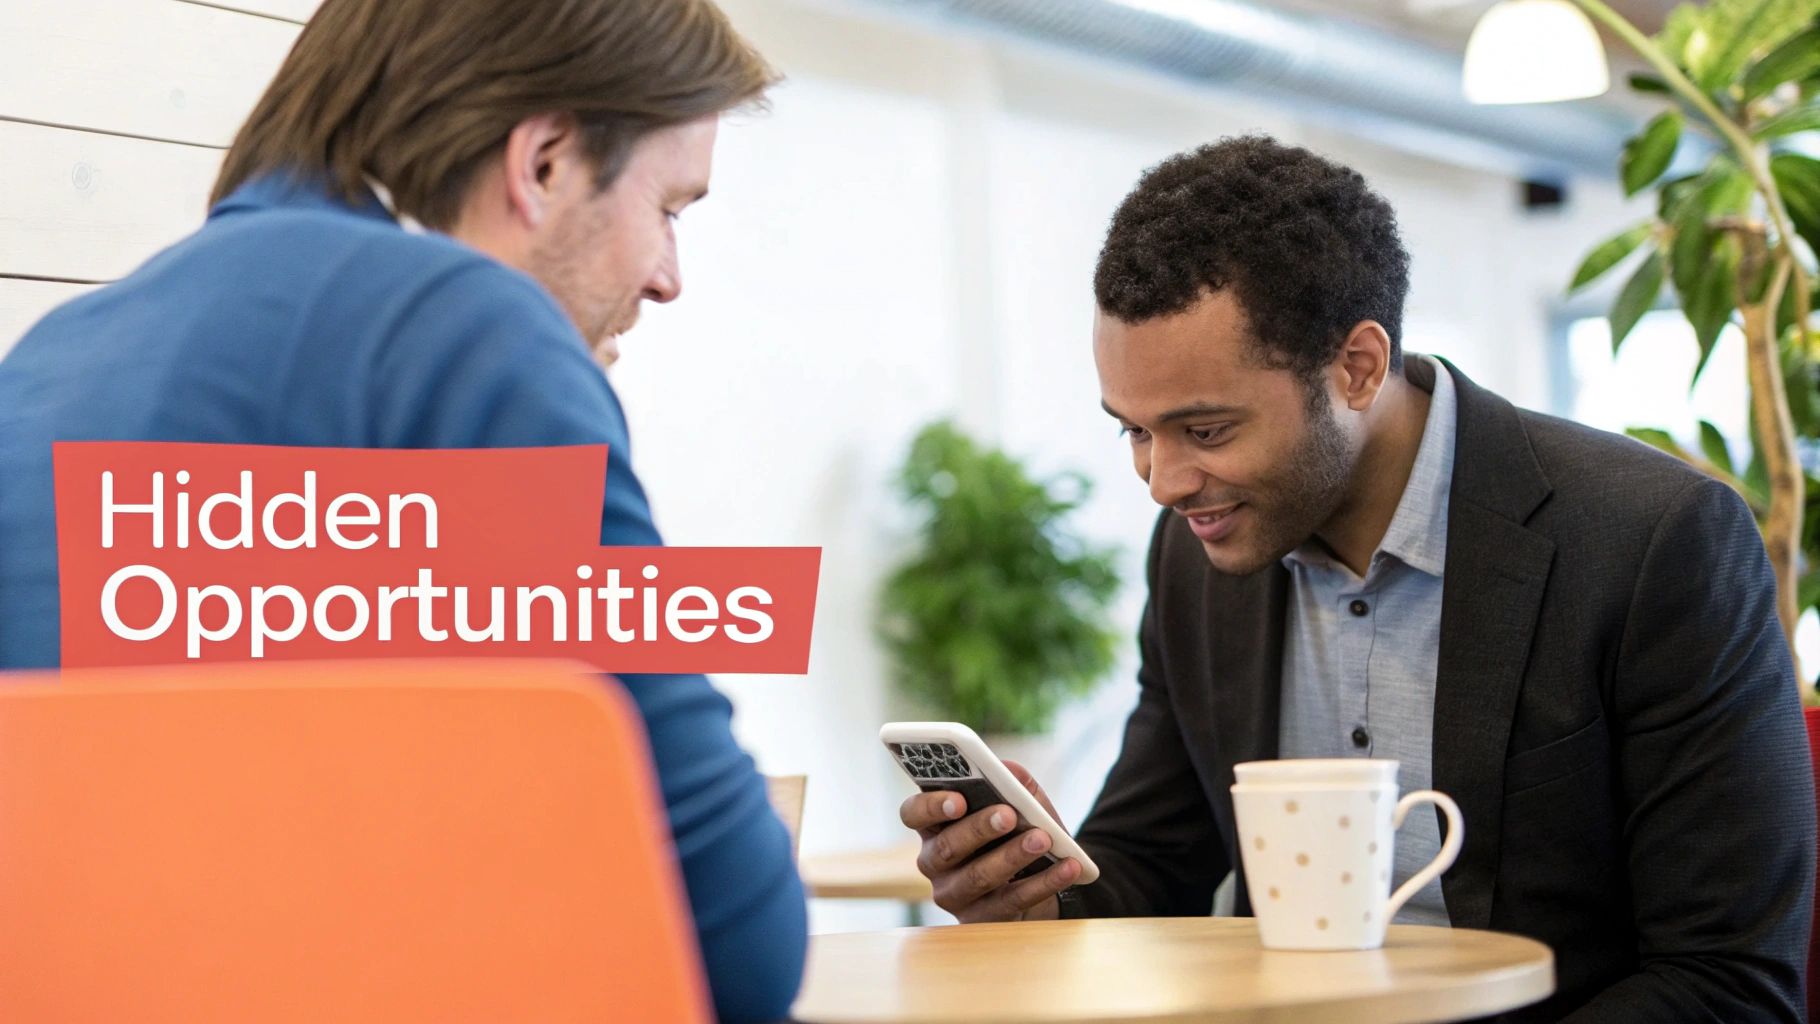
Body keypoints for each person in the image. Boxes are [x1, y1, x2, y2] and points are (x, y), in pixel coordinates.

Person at [0, 0, 805, 1018]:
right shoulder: (459, 324)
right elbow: (732, 938)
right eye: (671, 210)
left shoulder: (52, 354)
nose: (665, 278)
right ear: (545, 160)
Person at [900, 135, 1816, 1020]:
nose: (1164, 482)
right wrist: (1038, 895)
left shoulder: (1654, 540)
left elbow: (1727, 980)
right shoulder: (1196, 555)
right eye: (1134, 431)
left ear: (1357, 367)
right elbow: (1150, 863)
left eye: (1206, 430)